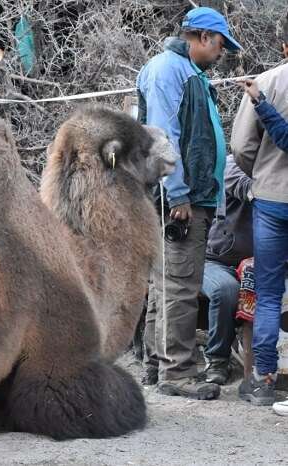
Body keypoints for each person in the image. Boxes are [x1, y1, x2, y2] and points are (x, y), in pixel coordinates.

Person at [137, 6, 241, 400]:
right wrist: (177, 192)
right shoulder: (169, 70)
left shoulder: (188, 72)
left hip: (189, 195)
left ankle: (154, 365)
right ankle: (177, 373)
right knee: (179, 285)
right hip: (179, 199)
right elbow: (163, 134)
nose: (220, 53)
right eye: (218, 45)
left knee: (165, 283)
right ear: (201, 38)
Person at [231, 12, 288, 406]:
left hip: (271, 201)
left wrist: (262, 176)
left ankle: (264, 378)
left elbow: (241, 148)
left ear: (283, 45)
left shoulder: (264, 83)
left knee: (268, 293)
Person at [202, 156, 253, 385]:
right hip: (217, 261)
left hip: (261, 264)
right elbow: (245, 188)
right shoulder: (231, 164)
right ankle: (217, 360)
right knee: (226, 290)